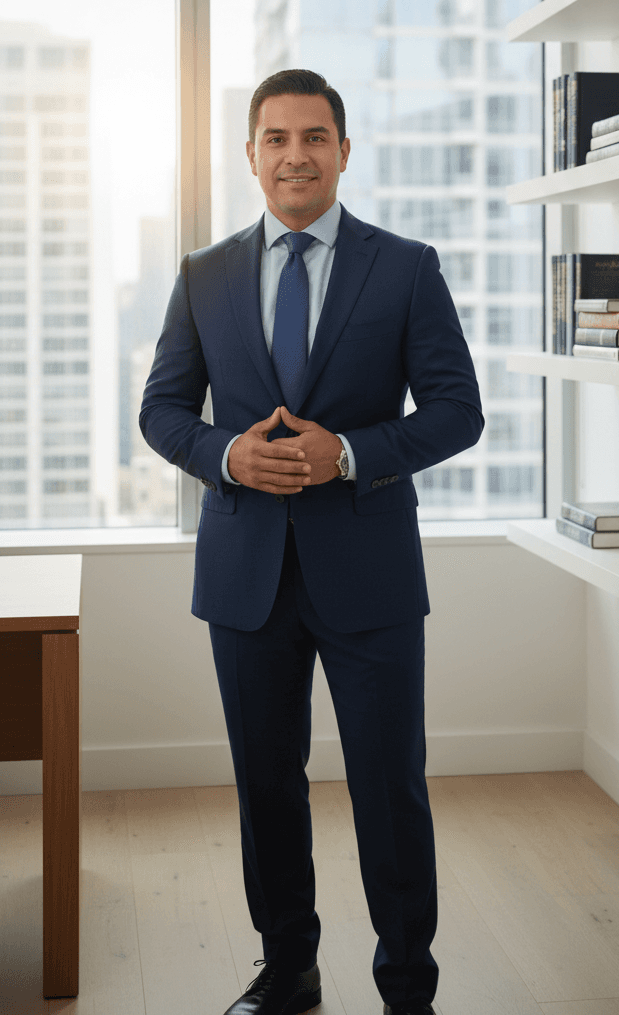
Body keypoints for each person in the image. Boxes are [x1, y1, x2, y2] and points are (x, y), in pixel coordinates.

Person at [139, 69, 484, 1015]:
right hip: (246, 573)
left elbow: (458, 413)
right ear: (251, 155)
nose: (297, 154)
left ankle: (408, 983)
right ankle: (288, 967)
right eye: (277, 138)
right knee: (267, 787)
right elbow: (162, 410)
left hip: (368, 570)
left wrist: (349, 455)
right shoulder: (203, 275)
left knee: (388, 785)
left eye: (316, 136)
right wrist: (226, 456)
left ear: (342, 149)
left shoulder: (406, 266)